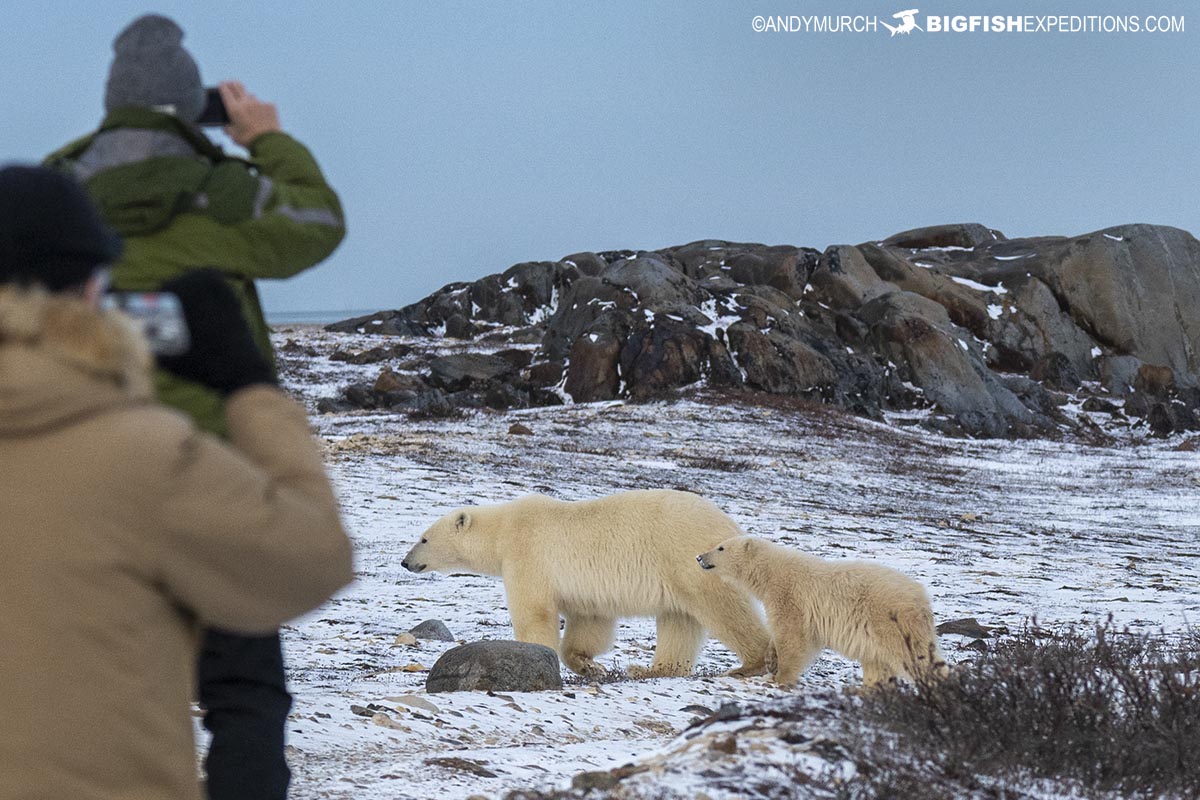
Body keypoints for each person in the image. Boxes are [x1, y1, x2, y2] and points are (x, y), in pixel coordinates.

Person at [45, 15, 346, 798]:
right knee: (244, 693)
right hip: (213, 465)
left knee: (90, 691)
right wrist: (267, 140)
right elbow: (316, 226)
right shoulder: (231, 190)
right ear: (196, 105)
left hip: (82, 473)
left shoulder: (57, 191)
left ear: (112, 105)